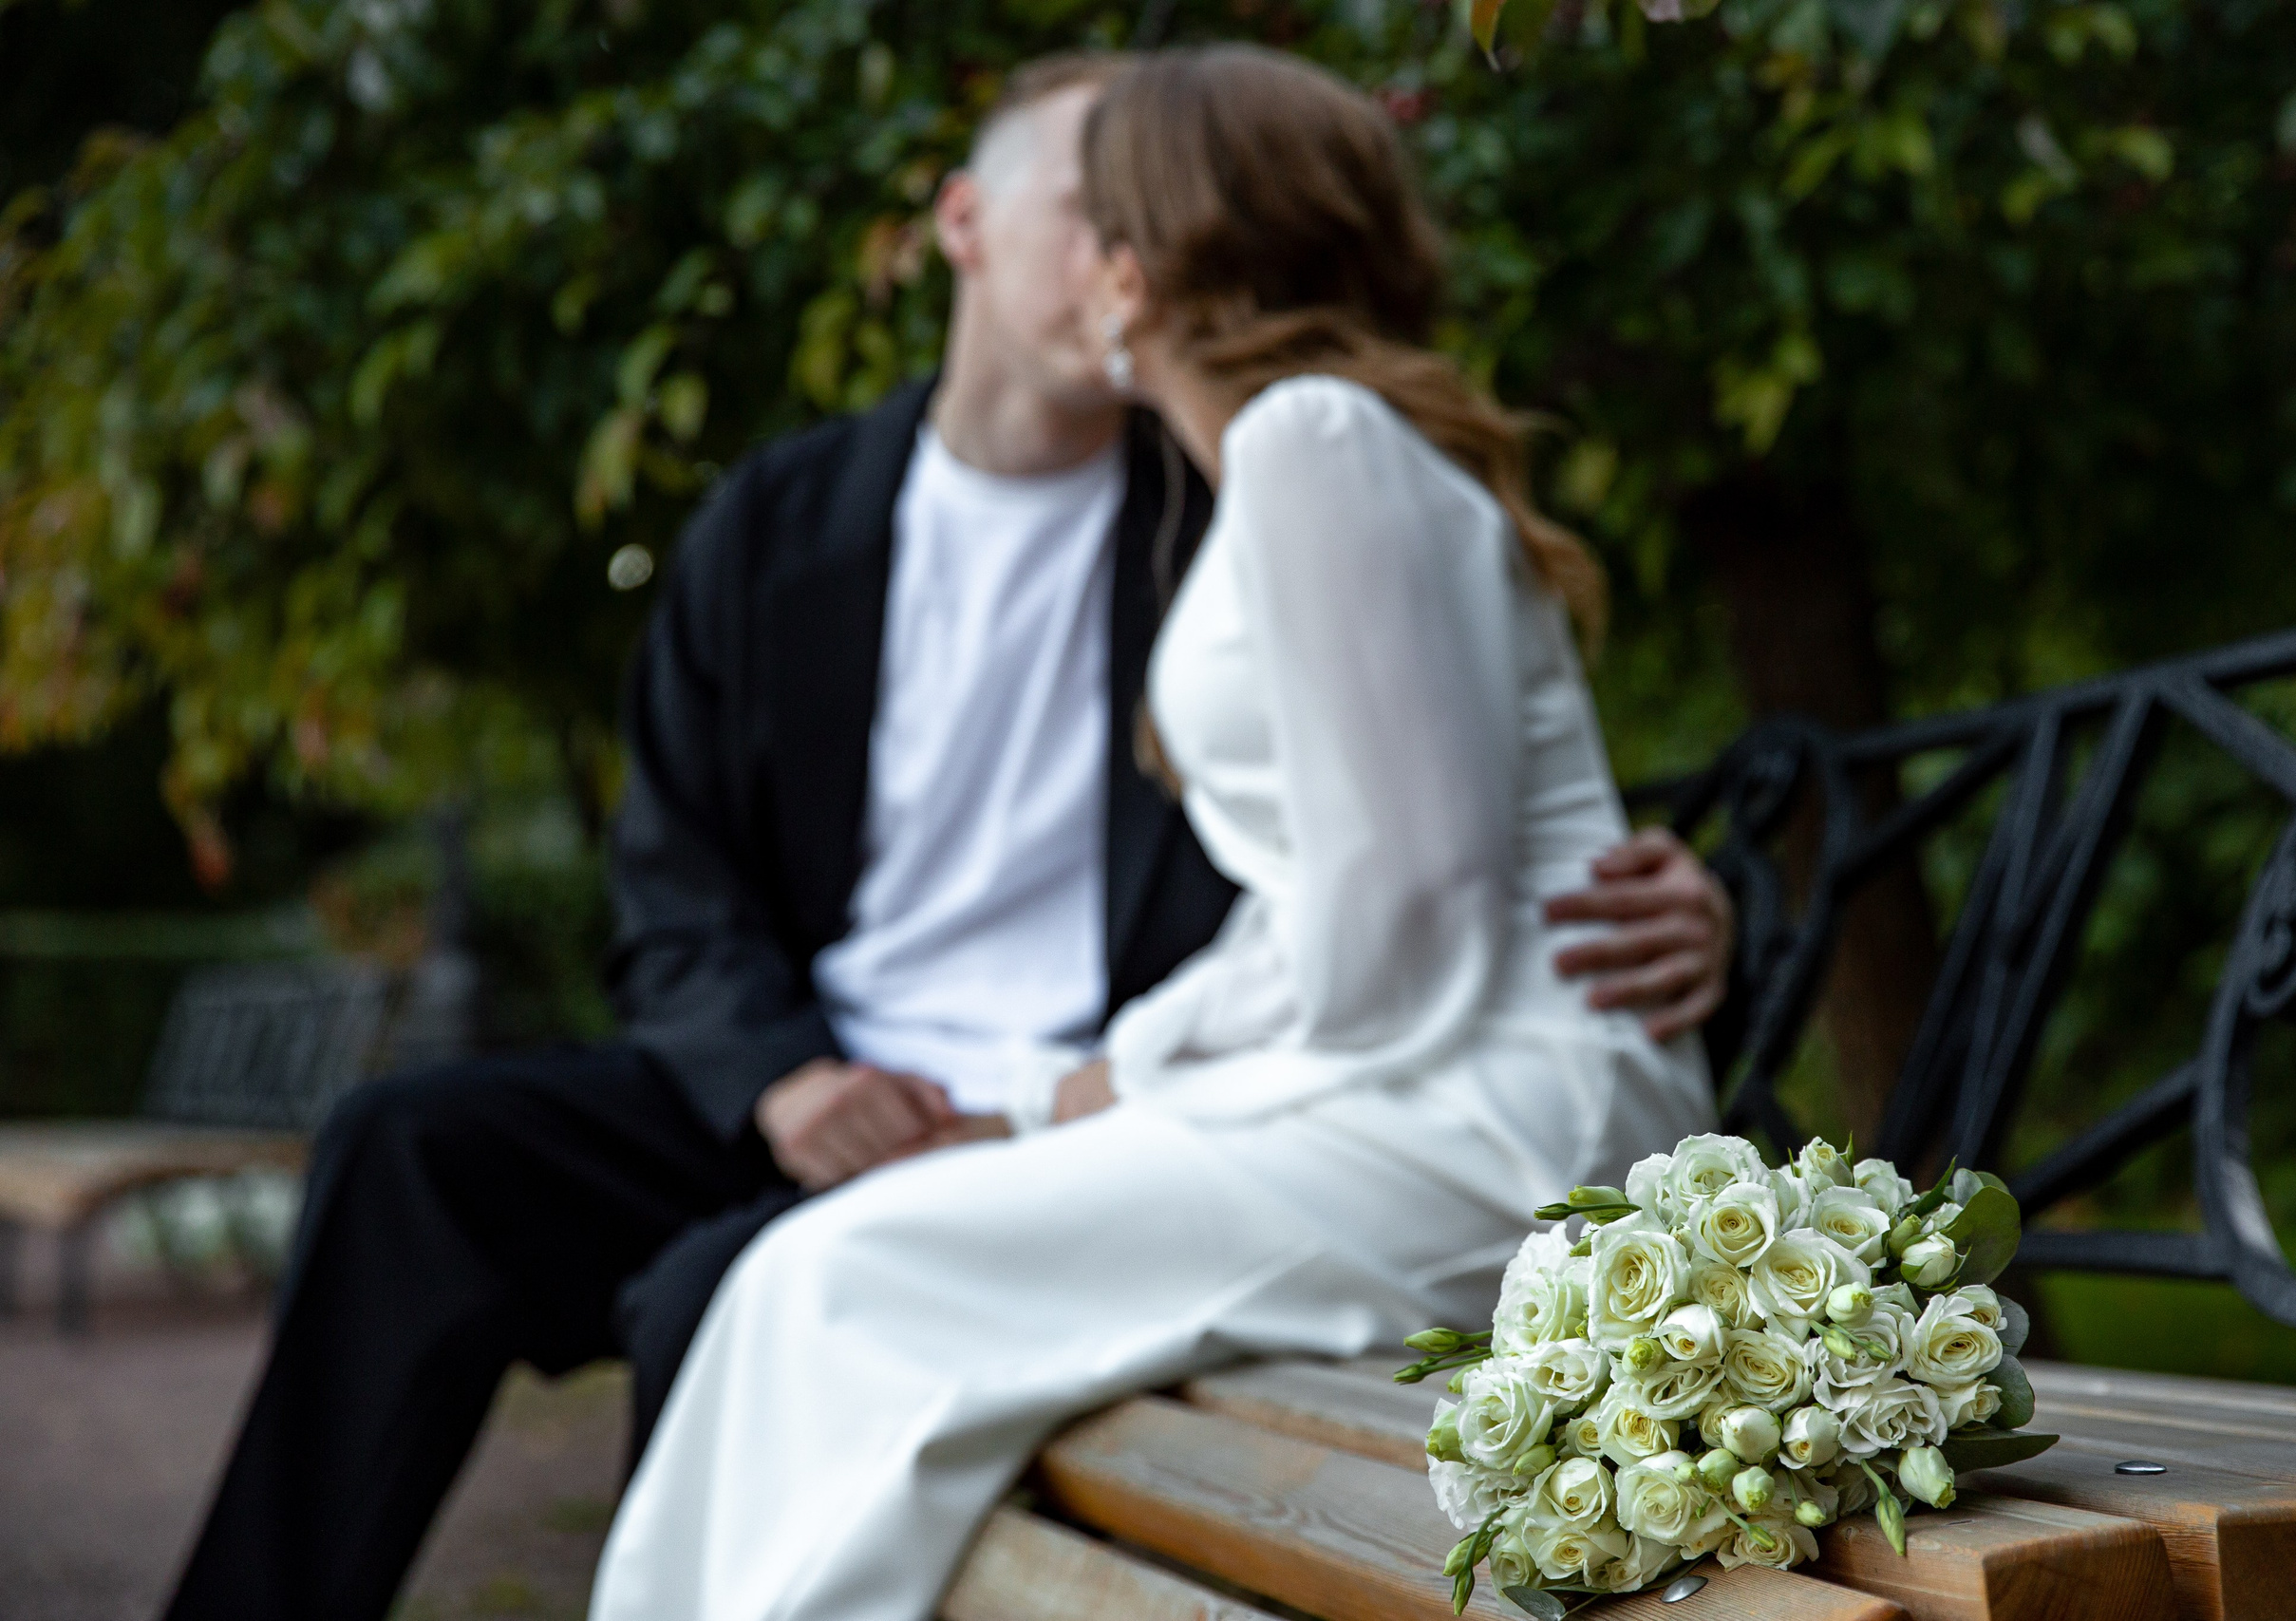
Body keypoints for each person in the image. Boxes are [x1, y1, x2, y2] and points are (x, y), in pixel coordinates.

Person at [160, 51, 1732, 1621]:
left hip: (1222, 1076)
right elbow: (677, 884)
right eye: (1080, 198)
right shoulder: (781, 522)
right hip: (886, 1073)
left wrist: (1100, 1080)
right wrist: (782, 1079)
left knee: (765, 1291)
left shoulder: (1239, 472)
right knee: (413, 1150)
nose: (1099, 253)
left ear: (1172, 244)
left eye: (1126, 205)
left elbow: (1411, 857)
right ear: (967, 225)